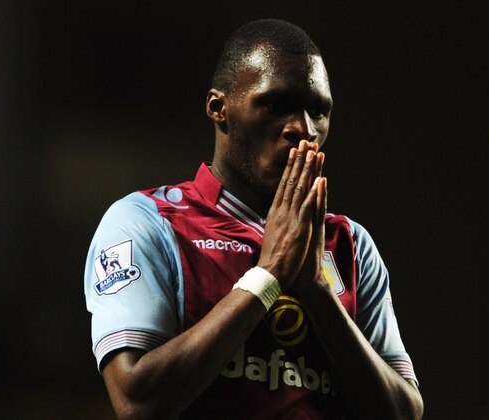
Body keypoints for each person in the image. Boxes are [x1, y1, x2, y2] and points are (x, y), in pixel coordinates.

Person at [84, 19, 423, 419]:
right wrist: (267, 277)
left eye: (319, 110)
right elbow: (137, 402)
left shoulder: (350, 244)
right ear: (218, 108)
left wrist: (315, 290)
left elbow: (404, 413)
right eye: (276, 104)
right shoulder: (146, 223)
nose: (303, 129)